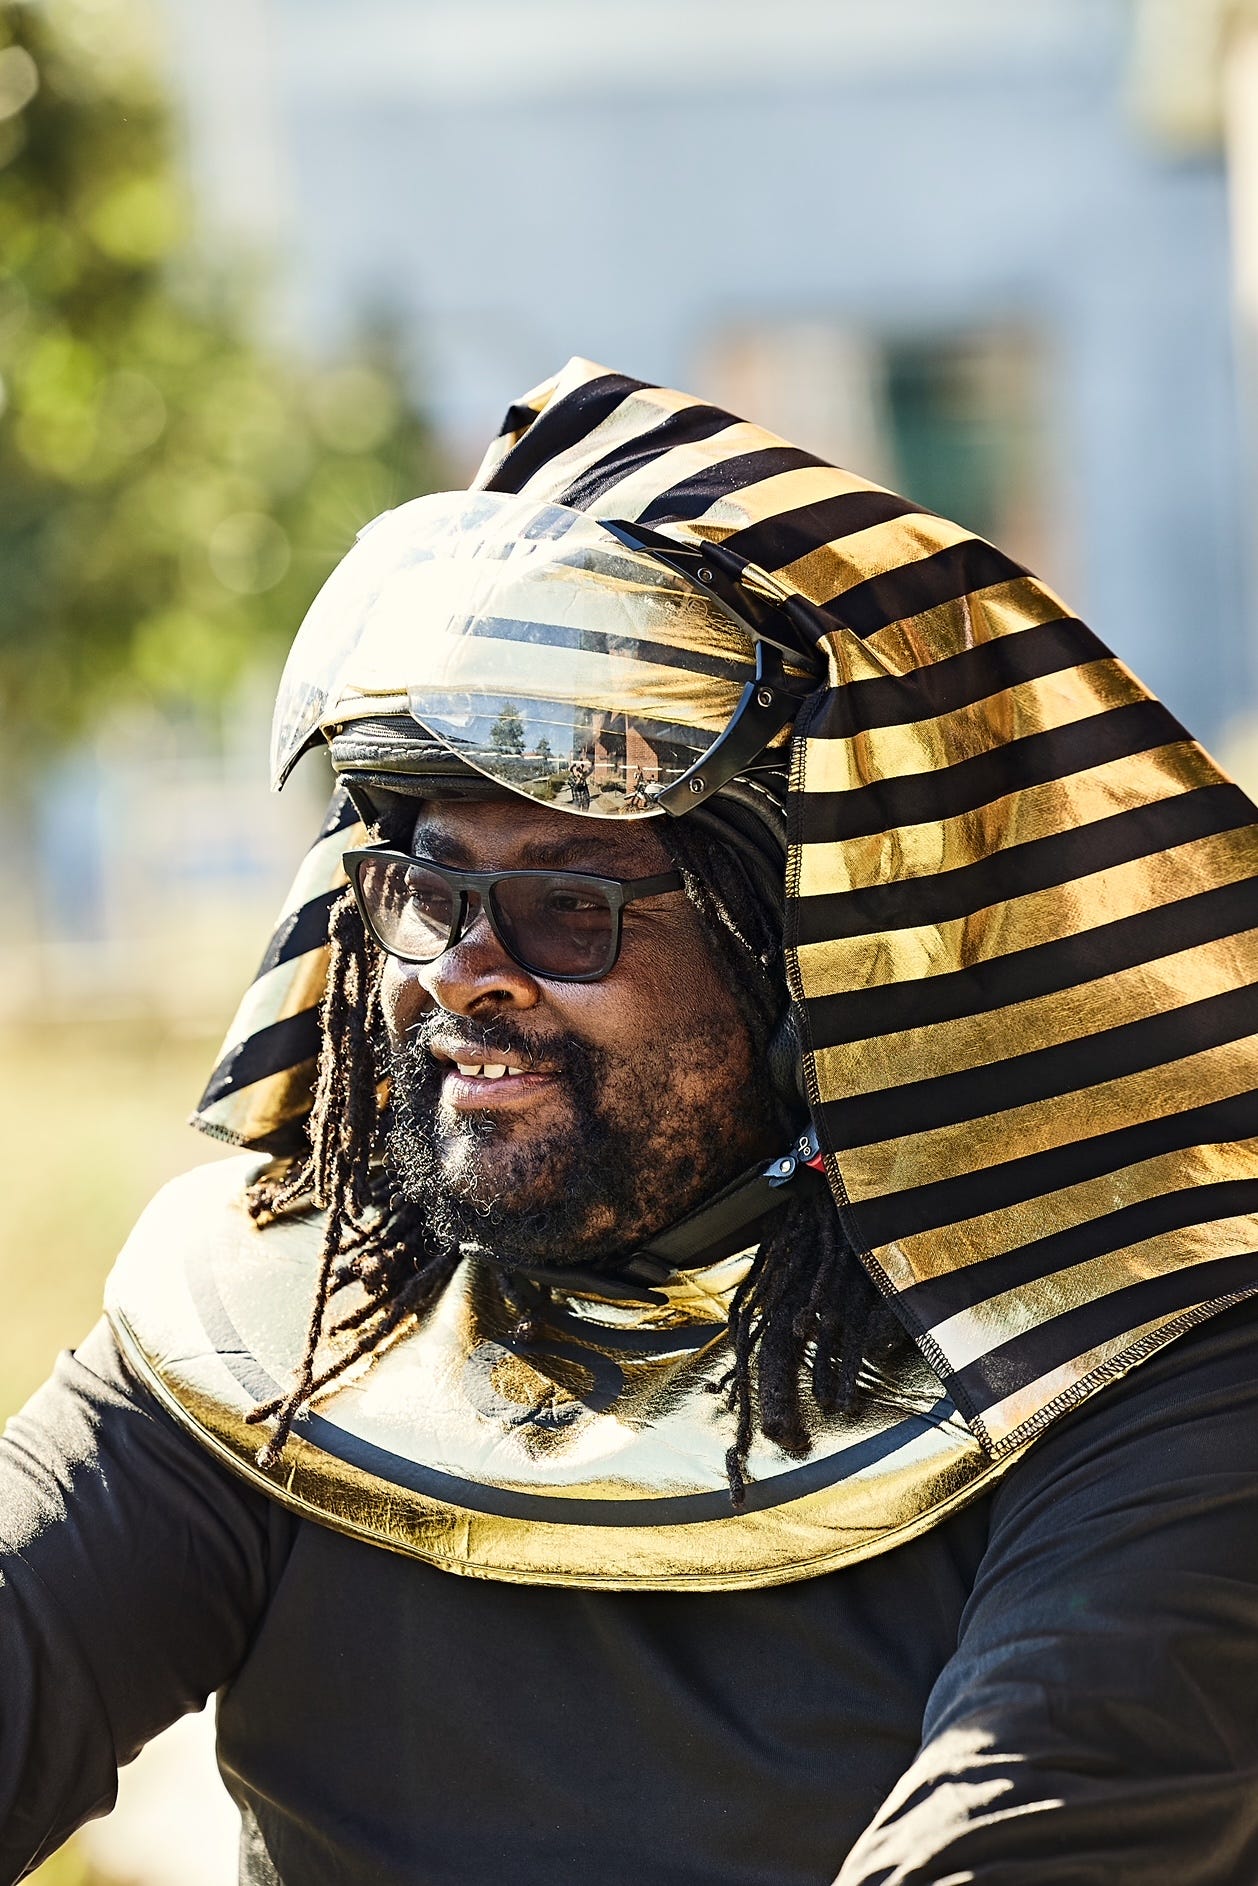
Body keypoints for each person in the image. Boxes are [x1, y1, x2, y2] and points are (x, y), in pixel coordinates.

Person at [5, 357, 1258, 1886]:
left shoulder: (1146, 1375)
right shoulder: (277, 1315)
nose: (467, 972)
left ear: (825, 955)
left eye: (565, 904)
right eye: (427, 884)